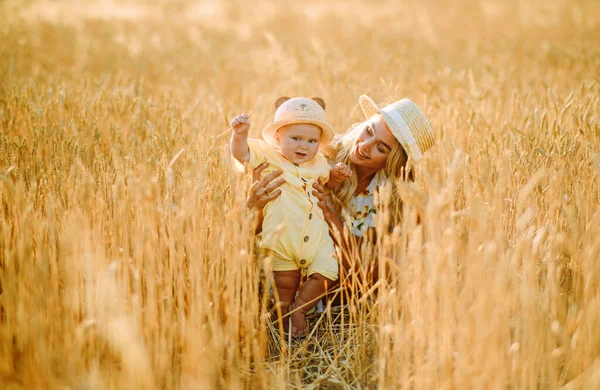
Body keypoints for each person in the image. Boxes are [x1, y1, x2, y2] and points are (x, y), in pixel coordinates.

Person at [245, 95, 435, 293]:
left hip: (338, 290)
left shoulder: (394, 198)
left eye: (381, 147)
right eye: (369, 131)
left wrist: (328, 215)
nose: (365, 145)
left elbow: (371, 263)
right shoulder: (317, 155)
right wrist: (254, 206)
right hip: (283, 274)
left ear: (393, 161)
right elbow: (263, 227)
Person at [229, 96, 352, 337]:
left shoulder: (319, 162)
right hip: (282, 236)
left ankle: (299, 309)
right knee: (284, 282)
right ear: (277, 137)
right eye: (296, 138)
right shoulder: (267, 155)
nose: (304, 146)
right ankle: (284, 318)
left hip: (316, 239)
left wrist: (338, 174)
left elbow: (329, 180)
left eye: (311, 141)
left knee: (328, 271)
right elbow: (241, 155)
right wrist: (240, 136)